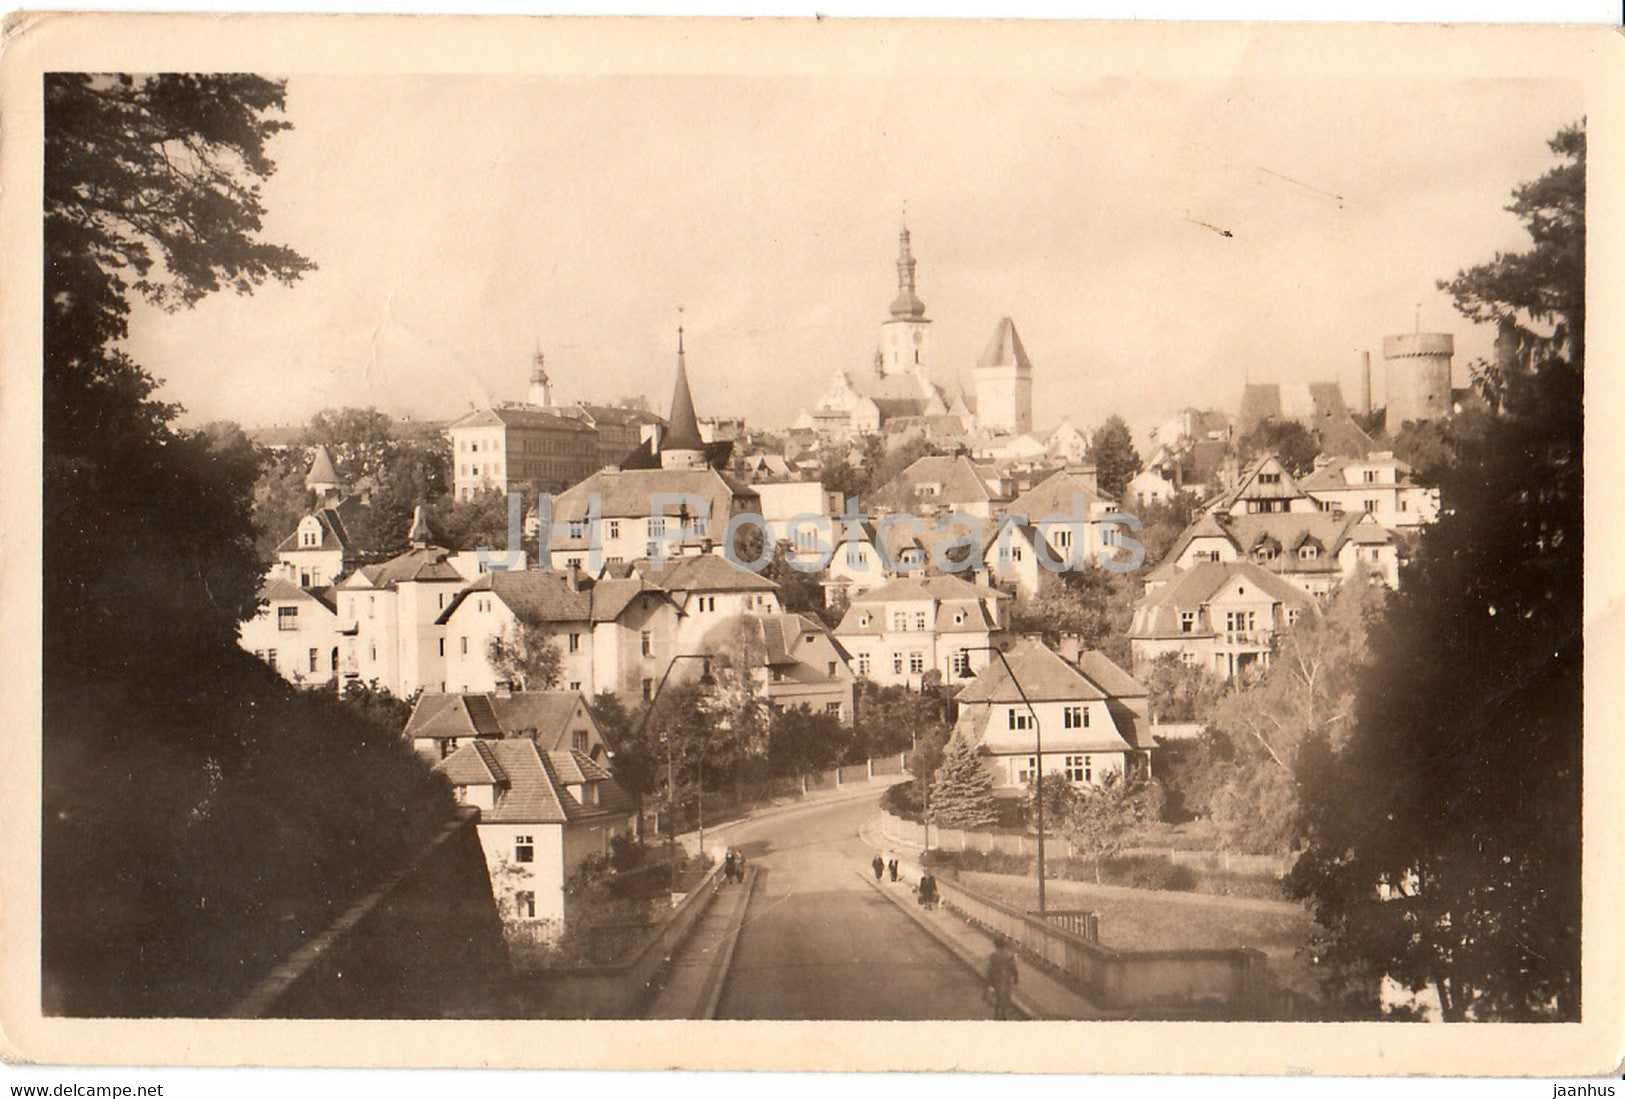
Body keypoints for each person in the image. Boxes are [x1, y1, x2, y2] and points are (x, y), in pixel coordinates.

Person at [986, 935, 1020, 1020]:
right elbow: (1013, 968)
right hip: (1007, 979)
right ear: (1004, 945)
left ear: (996, 946)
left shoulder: (994, 955)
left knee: (998, 997)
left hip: (996, 979)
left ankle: (997, 1014)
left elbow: (990, 969)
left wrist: (989, 980)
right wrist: (1016, 977)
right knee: (1006, 997)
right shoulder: (1009, 955)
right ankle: (1003, 1015)